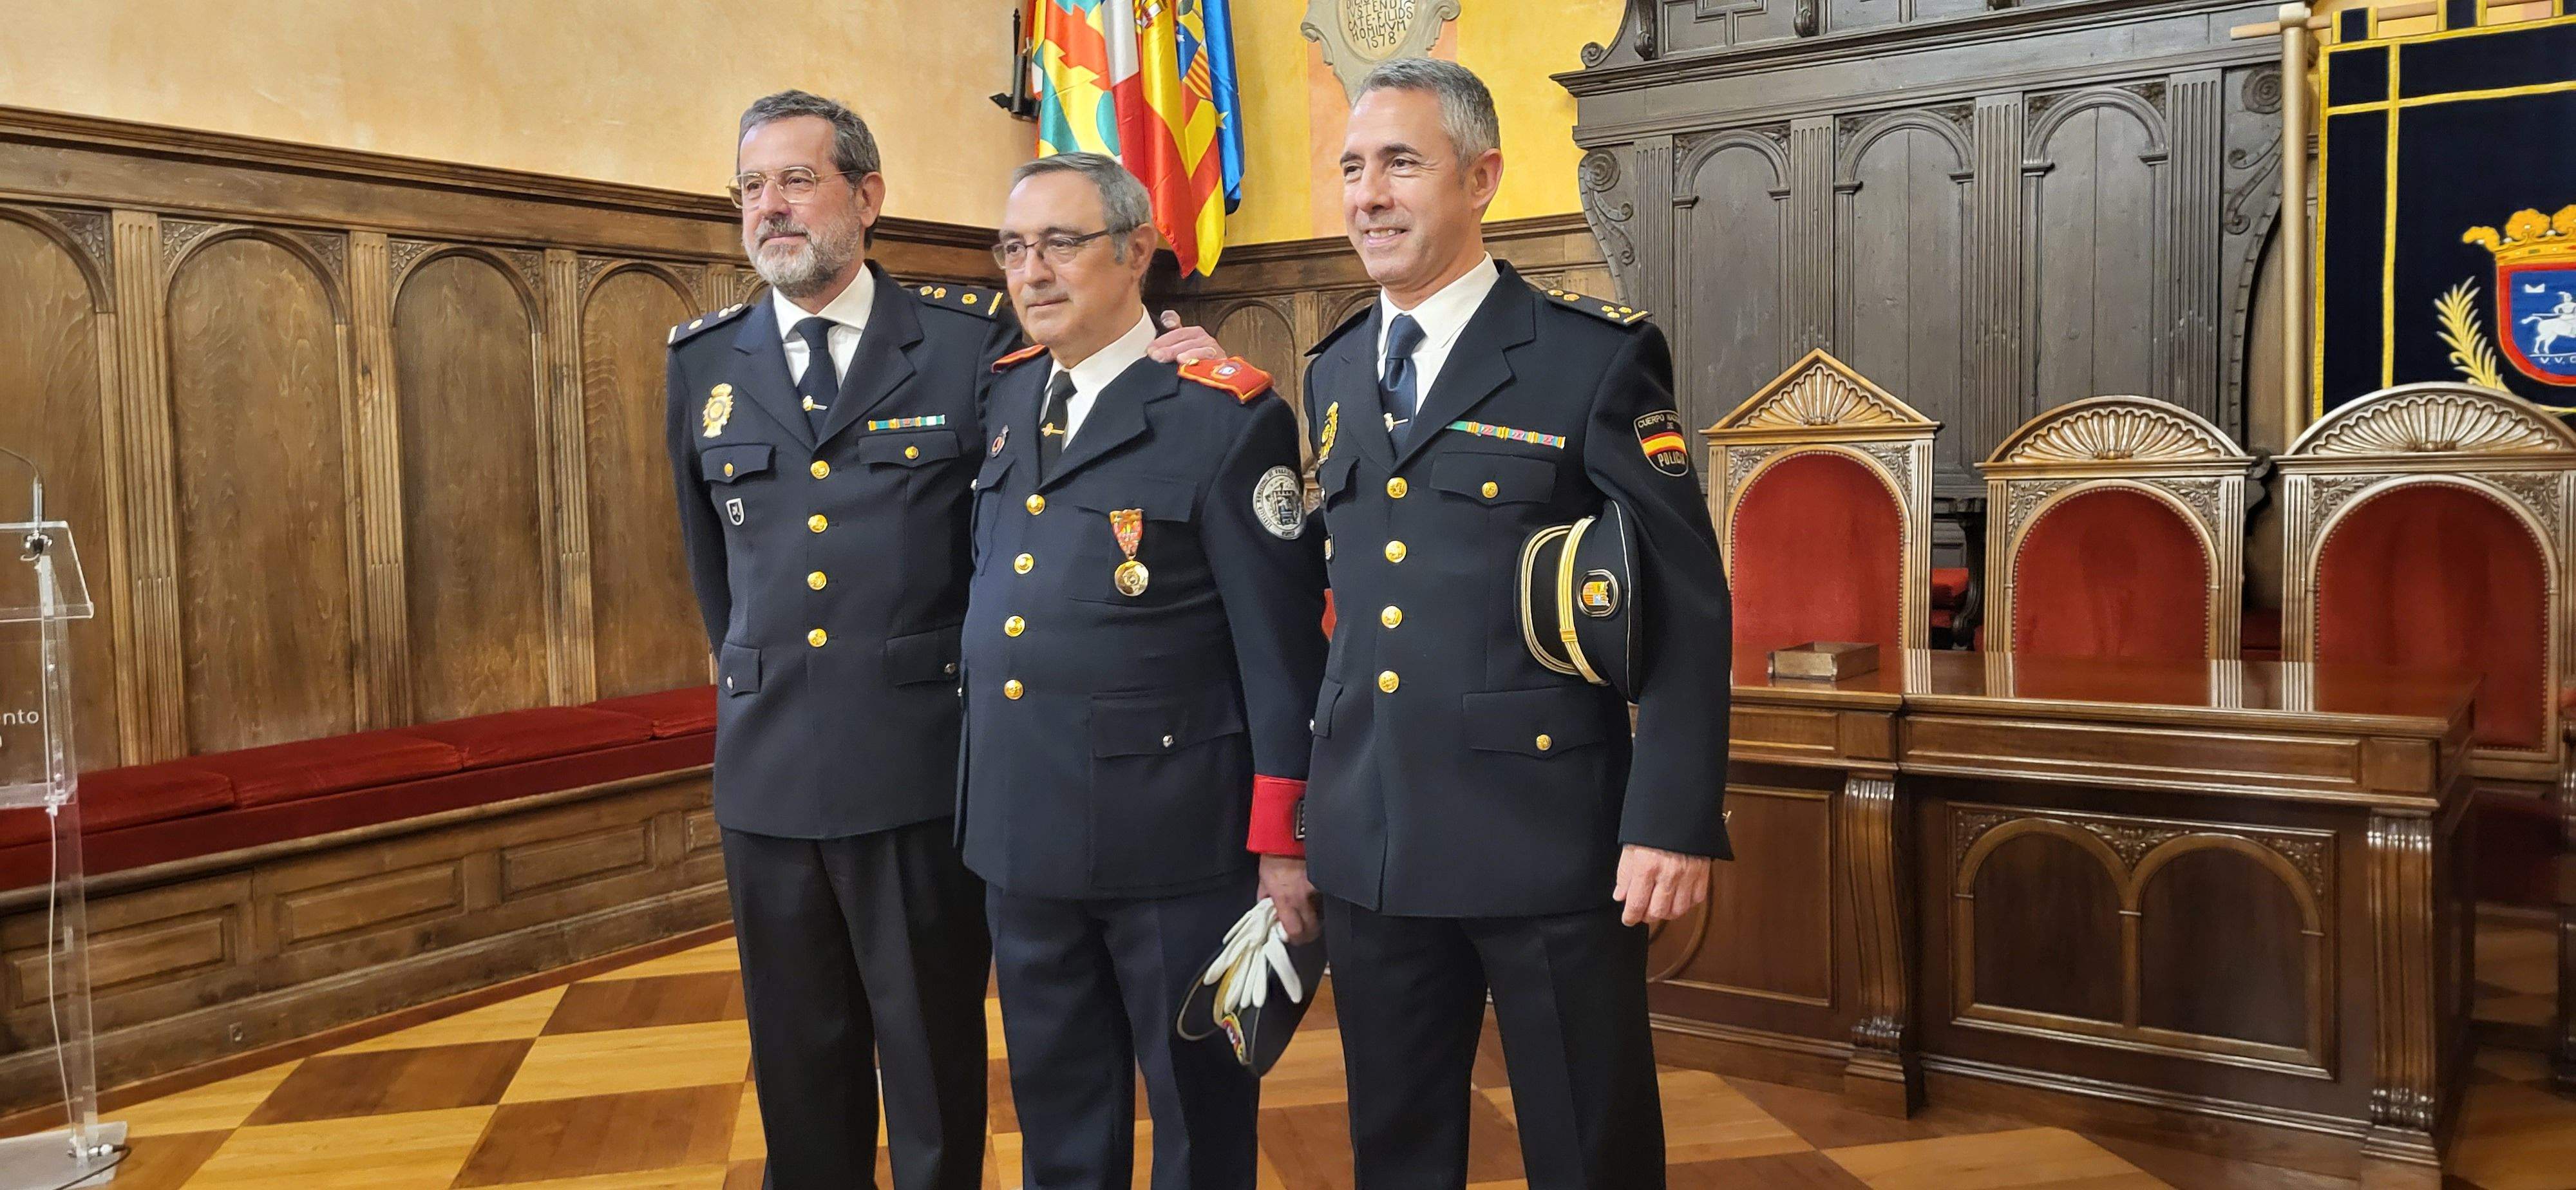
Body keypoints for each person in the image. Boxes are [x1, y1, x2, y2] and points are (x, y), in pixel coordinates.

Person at [662, 91, 1216, 1190]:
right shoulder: (704, 361)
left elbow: (1084, 408)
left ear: (868, 197)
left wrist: (1168, 348)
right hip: (766, 770)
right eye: (751, 188)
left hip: (921, 766)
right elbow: (712, 573)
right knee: (796, 1063)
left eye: (797, 181)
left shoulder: (973, 345)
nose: (769, 208)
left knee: (930, 1064)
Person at [1248, 59, 1736, 1188]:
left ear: (1484, 177)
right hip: (1373, 835)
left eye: (1402, 164)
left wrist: (1668, 817)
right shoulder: (1331, 374)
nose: (1368, 194)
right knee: (1397, 1147)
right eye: (1353, 168)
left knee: (1587, 1143)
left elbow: (1685, 599)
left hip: (1548, 834)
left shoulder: (1588, 355)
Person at [957, 151, 1327, 1190]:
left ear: (1137, 253)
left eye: (1062, 244)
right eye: (1015, 248)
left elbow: (1280, 652)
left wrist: (1284, 846)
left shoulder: (1225, 415)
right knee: (1060, 1123)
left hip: (1174, 845)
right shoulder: (1002, 400)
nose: (1032, 272)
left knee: (1201, 1129)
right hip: (1021, 834)